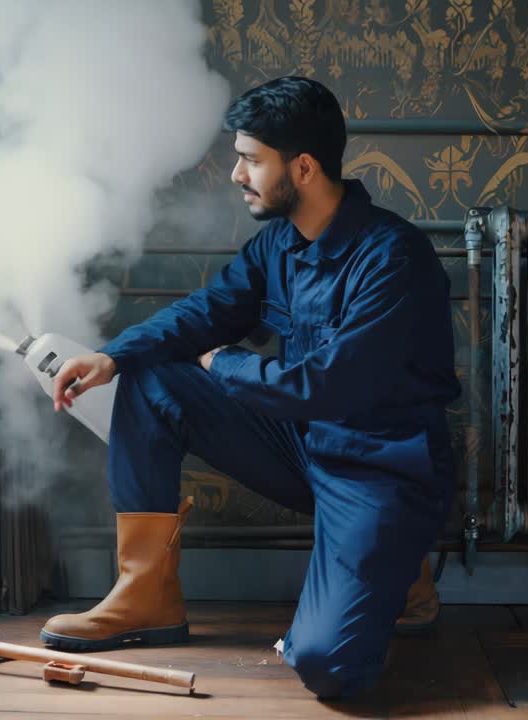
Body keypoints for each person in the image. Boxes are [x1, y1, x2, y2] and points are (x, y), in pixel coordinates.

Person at [40, 76, 459, 700]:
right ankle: (146, 596)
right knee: (151, 376)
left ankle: (402, 572)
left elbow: (324, 386)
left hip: (380, 467)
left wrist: (223, 364)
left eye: (251, 160)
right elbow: (207, 311)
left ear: (305, 167)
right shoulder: (276, 246)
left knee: (330, 668)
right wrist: (111, 356)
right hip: (303, 446)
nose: (237, 174)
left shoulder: (393, 258)